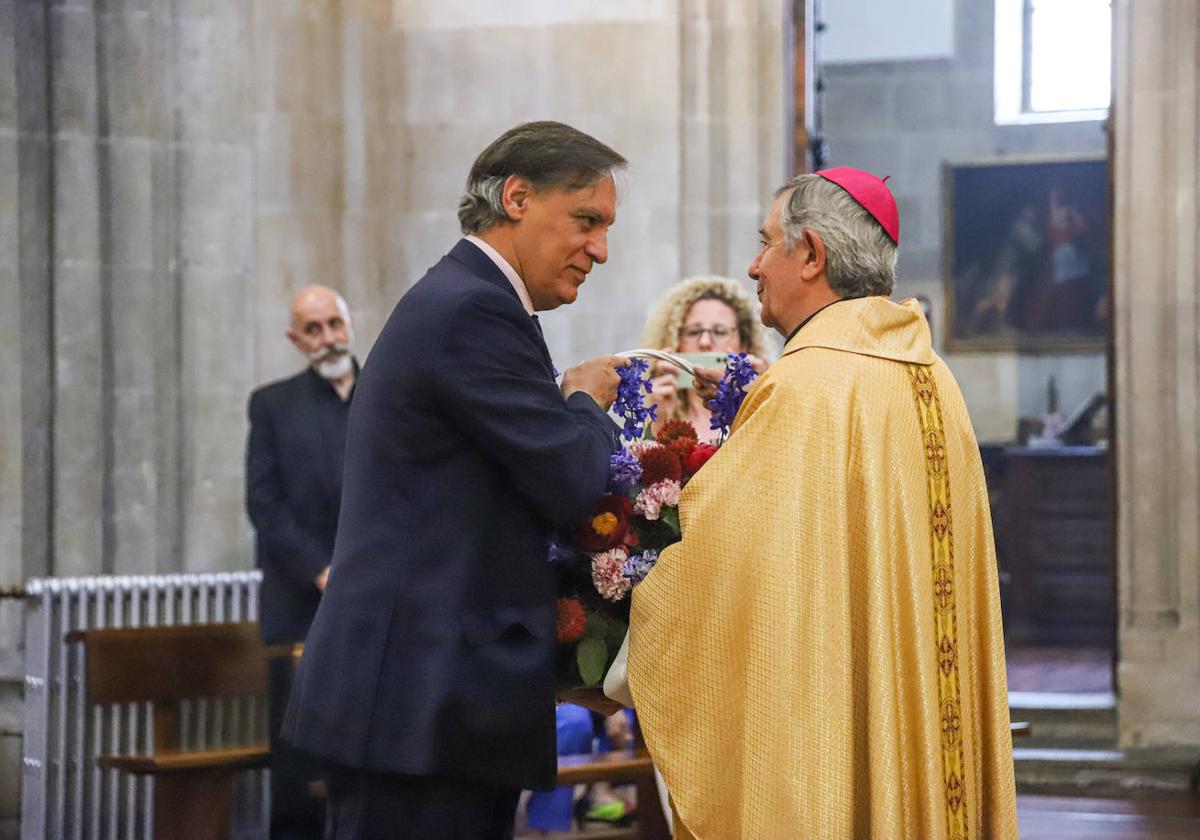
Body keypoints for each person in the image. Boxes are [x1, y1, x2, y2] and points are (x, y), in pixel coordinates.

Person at [625, 168, 1018, 838]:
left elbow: (709, 564)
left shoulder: (805, 387)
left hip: (834, 706)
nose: (753, 266)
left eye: (766, 243)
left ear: (810, 254)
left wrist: (614, 585)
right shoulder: (934, 376)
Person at [283, 121, 629, 839]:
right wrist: (586, 403)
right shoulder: (474, 309)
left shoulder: (477, 301)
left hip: (438, 704)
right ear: (517, 197)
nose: (600, 249)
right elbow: (568, 482)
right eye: (586, 220)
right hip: (419, 706)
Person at [246, 284, 358, 839]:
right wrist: (322, 570)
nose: (327, 339)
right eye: (312, 330)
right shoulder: (273, 405)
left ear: (350, 323)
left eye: (333, 324)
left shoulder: (386, 396)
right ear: (296, 339)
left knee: (370, 763)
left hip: (372, 608)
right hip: (300, 611)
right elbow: (264, 506)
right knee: (298, 764)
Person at [639, 276, 771, 443]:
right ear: (675, 342)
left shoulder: (759, 407)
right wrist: (657, 422)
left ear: (744, 345)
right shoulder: (658, 408)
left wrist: (768, 402)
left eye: (720, 332)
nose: (705, 342)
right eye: (693, 332)